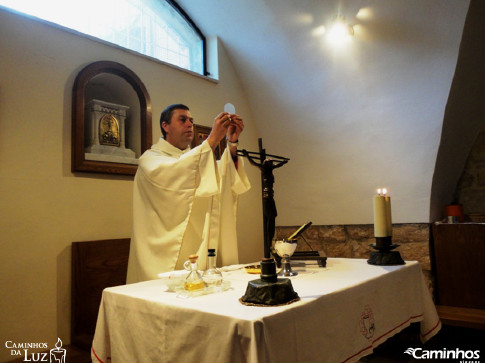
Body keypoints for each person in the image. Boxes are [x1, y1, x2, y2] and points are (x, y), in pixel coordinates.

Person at [126, 104, 251, 283]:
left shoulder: (195, 159)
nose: (189, 124)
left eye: (191, 120)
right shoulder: (150, 160)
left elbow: (221, 177)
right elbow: (177, 172)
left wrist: (231, 143)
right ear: (165, 126)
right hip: (160, 258)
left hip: (197, 257)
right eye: (182, 119)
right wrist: (213, 139)